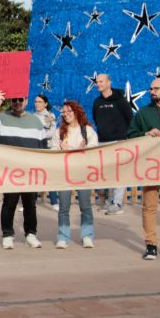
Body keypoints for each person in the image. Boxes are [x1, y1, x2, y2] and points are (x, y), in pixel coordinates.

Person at [0, 90, 47, 250]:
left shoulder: (36, 121)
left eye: (20, 99)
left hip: (29, 171)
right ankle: (7, 235)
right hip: (10, 170)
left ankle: (31, 234)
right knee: (9, 203)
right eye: (14, 100)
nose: (17, 102)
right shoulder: (3, 117)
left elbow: (43, 147)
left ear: (26, 101)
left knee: (30, 204)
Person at [52, 101, 98, 249]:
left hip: (83, 173)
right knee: (64, 207)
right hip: (65, 174)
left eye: (69, 111)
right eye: (64, 112)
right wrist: (63, 150)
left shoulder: (88, 131)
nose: (66, 115)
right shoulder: (59, 132)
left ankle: (87, 235)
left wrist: (74, 150)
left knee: (85, 206)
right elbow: (53, 151)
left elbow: (94, 150)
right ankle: (63, 236)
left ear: (77, 111)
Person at [128, 76, 160, 260]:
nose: (152, 91)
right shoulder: (143, 113)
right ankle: (151, 245)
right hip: (151, 168)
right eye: (150, 89)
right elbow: (131, 135)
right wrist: (146, 134)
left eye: (156, 88)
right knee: (149, 207)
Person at [91, 74, 134, 216]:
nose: (98, 84)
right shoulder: (97, 102)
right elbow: (97, 119)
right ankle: (109, 202)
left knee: (119, 173)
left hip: (118, 141)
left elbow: (129, 118)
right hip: (103, 142)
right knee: (109, 173)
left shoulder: (120, 100)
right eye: (97, 82)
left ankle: (118, 203)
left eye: (101, 81)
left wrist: (121, 135)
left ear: (109, 82)